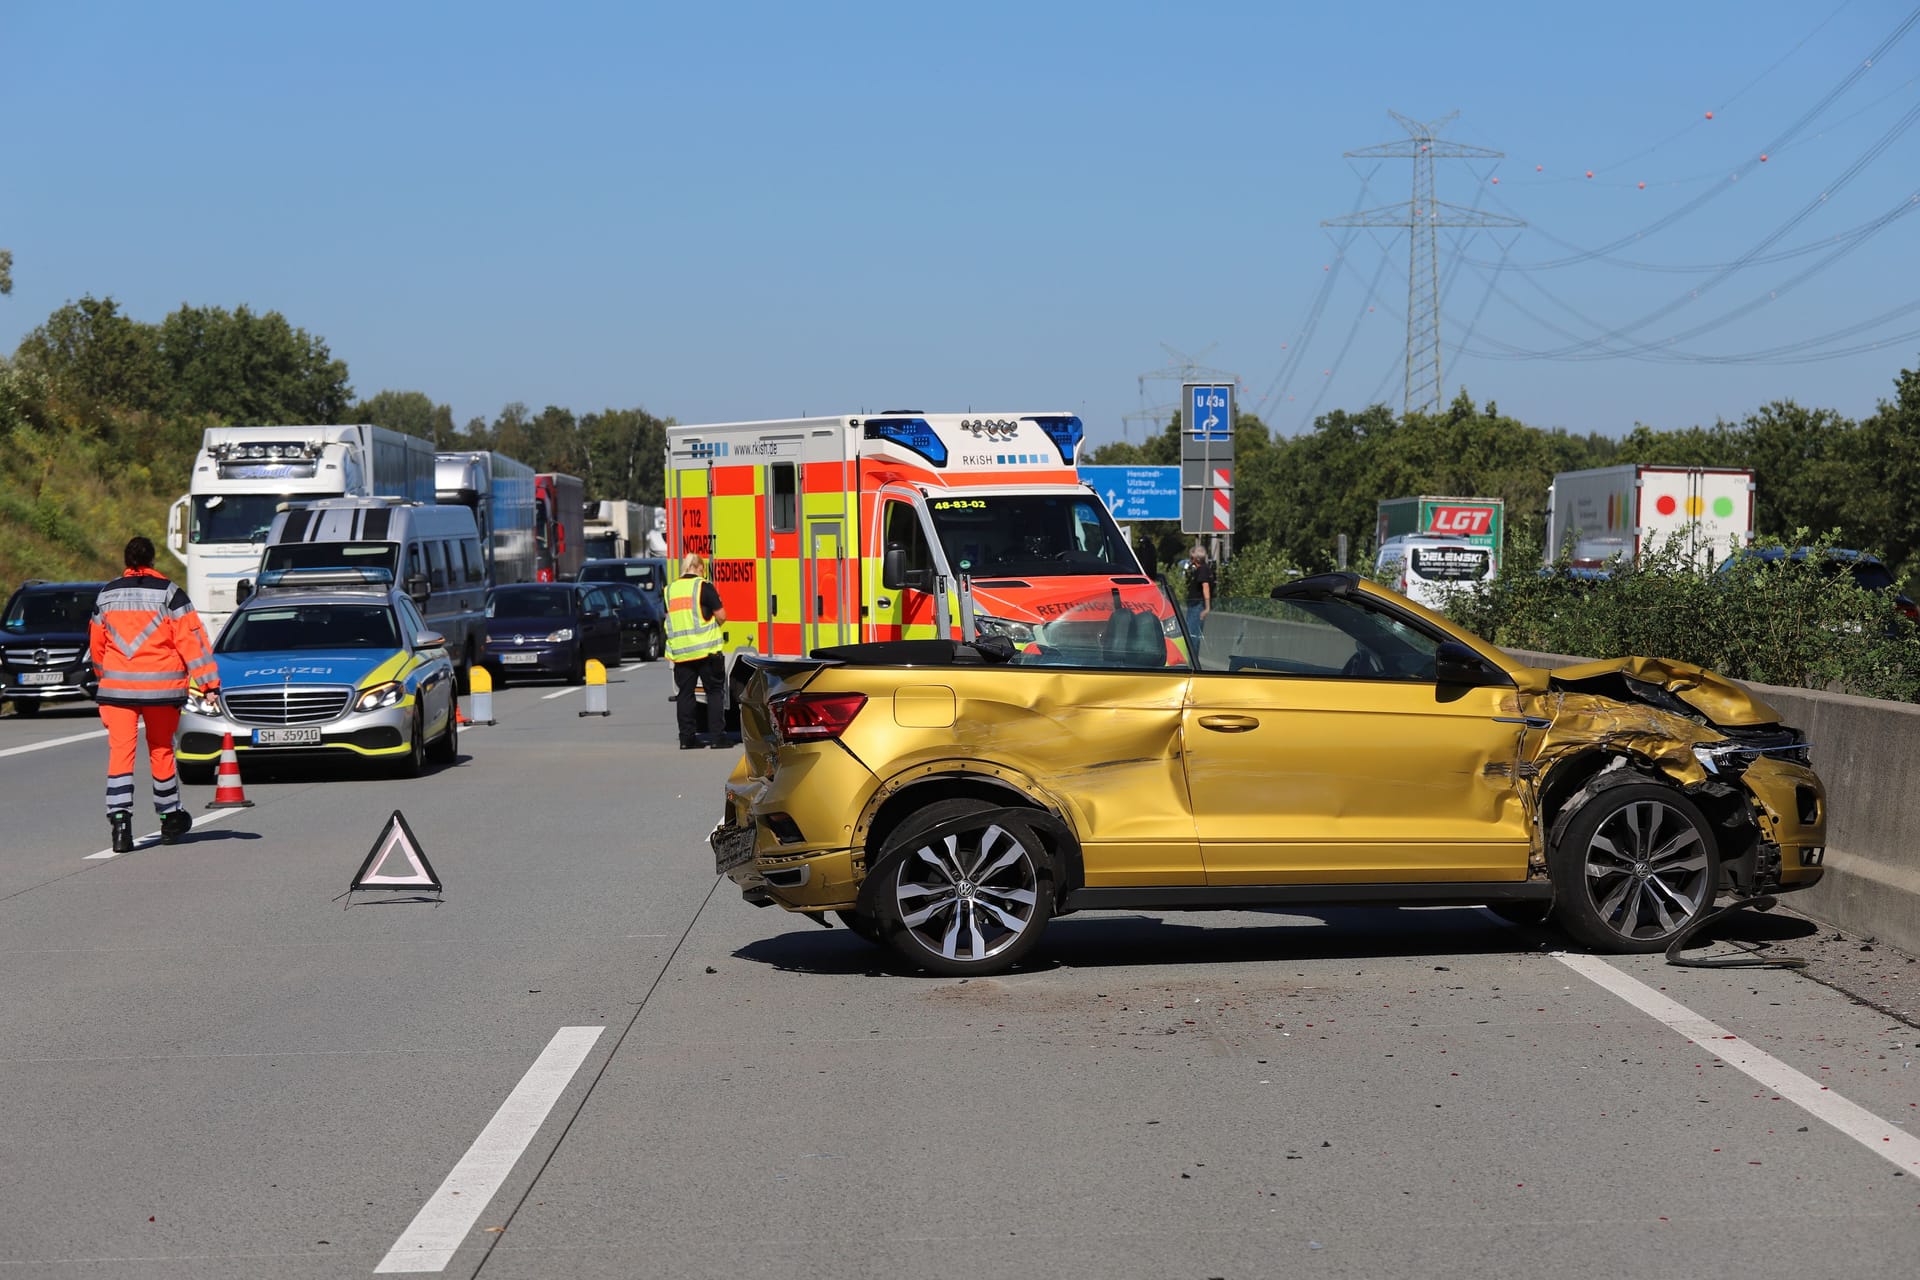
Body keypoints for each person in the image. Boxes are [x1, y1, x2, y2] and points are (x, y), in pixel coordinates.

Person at [89, 536, 219, 853]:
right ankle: (170, 819)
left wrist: (103, 678)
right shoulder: (170, 594)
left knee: (120, 756)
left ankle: (121, 825)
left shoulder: (107, 594)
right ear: (152, 560)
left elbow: (97, 645)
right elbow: (193, 641)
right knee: (161, 752)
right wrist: (209, 684)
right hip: (162, 690)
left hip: (117, 691)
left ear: (126, 560)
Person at [664, 552, 729, 749]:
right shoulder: (703, 586)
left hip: (681, 652)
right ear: (699, 567)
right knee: (714, 692)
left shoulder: (670, 589)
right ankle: (717, 738)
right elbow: (722, 616)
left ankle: (687, 739)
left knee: (685, 695)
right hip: (706, 651)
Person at [1184, 543, 1215, 638]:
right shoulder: (1202, 570)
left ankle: (1192, 653)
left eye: (1191, 558)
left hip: (1197, 606)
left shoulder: (1202, 570)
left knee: (1192, 634)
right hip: (1194, 605)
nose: (1191, 560)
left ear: (1196, 558)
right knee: (1191, 633)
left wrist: (1207, 608)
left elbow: (1206, 587)